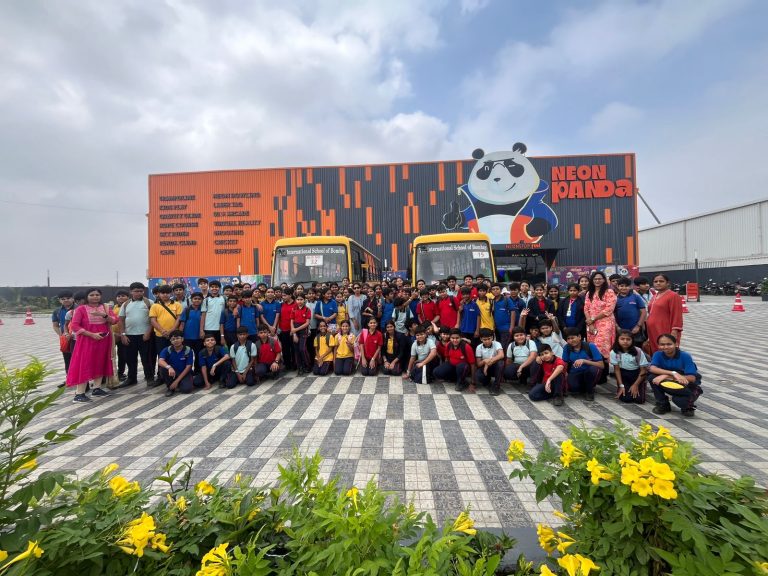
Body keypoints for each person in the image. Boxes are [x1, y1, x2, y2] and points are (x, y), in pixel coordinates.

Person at [66, 289, 118, 403]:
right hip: (86, 341)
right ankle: (79, 394)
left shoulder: (105, 308)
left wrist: (104, 315)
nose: (95, 297)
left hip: (103, 340)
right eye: (92, 295)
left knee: (100, 362)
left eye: (97, 295)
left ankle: (97, 389)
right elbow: (74, 326)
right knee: (84, 364)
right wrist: (91, 334)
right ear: (86, 296)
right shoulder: (81, 309)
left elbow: (115, 320)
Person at [648, 333, 702, 417]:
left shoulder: (685, 356)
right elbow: (652, 368)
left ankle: (688, 406)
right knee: (652, 377)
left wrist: (665, 375)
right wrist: (673, 373)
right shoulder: (658, 354)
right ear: (658, 345)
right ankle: (663, 404)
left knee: (679, 401)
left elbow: (691, 378)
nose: (665, 347)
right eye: (662, 344)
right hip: (673, 381)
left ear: (676, 344)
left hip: (686, 384)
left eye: (669, 344)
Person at [117, 282, 153, 387]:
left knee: (146, 358)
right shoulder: (125, 304)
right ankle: (132, 379)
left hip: (145, 335)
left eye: (141, 291)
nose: (138, 293)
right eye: (136, 291)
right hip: (129, 335)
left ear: (144, 291)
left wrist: (148, 332)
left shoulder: (149, 302)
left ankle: (149, 378)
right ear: (131, 292)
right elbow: (121, 320)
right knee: (130, 358)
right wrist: (123, 334)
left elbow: (153, 319)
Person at [583, 271, 617, 382]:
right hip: (591, 324)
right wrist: (590, 322)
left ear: (604, 280)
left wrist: (593, 319)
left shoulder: (609, 292)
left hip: (605, 322)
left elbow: (609, 309)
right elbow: (586, 308)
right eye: (595, 279)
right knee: (592, 347)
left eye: (600, 278)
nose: (597, 281)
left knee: (602, 347)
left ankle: (603, 375)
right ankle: (595, 375)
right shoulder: (589, 293)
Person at [645, 274, 684, 355]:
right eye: (655, 281)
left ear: (667, 283)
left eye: (661, 281)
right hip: (652, 330)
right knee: (656, 351)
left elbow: (677, 315)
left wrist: (674, 331)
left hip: (665, 329)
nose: (658, 283)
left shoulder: (673, 295)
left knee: (666, 350)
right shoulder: (655, 296)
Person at [562, 328, 604, 401]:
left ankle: (590, 391)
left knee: (591, 371)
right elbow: (565, 362)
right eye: (568, 339)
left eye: (572, 338)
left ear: (579, 337)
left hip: (589, 371)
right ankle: (585, 387)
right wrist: (564, 373)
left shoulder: (590, 346)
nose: (571, 340)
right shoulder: (567, 347)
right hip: (575, 372)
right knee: (573, 388)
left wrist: (584, 361)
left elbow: (601, 365)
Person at [610, 330, 649, 404]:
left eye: (628, 339)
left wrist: (636, 385)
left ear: (632, 340)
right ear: (617, 340)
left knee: (640, 400)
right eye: (622, 339)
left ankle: (641, 385)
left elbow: (643, 370)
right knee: (626, 399)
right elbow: (617, 370)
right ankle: (622, 388)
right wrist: (621, 385)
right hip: (623, 375)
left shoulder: (638, 351)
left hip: (637, 374)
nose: (625, 341)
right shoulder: (614, 352)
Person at [149, 285, 182, 362]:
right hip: (160, 335)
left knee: (174, 355)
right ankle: (162, 370)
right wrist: (162, 331)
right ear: (159, 294)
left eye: (167, 293)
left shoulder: (177, 304)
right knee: (162, 355)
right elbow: (153, 321)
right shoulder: (155, 306)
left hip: (174, 336)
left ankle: (174, 369)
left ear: (171, 293)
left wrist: (171, 331)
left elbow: (179, 319)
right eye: (163, 293)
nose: (165, 295)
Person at [158, 330, 196, 397]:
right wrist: (169, 367)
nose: (176, 340)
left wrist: (176, 381)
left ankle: (178, 383)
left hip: (184, 373)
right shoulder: (167, 349)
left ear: (182, 339)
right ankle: (170, 388)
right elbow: (160, 361)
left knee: (186, 389)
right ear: (170, 341)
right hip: (172, 372)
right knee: (163, 369)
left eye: (178, 338)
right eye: (173, 339)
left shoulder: (188, 350)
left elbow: (188, 367)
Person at [614, 277, 647, 345]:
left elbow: (643, 312)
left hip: (635, 329)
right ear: (618, 286)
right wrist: (617, 327)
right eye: (621, 286)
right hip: (621, 330)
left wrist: (638, 326)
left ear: (630, 286)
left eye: (626, 286)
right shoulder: (615, 299)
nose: (624, 288)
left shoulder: (636, 297)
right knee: (623, 348)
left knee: (637, 348)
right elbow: (612, 314)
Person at [52, 290, 75, 385]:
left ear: (73, 299)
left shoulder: (79, 308)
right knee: (67, 359)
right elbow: (55, 325)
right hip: (65, 339)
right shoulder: (57, 311)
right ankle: (69, 378)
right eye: (63, 299)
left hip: (77, 338)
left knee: (79, 358)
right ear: (59, 300)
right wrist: (62, 335)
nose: (66, 300)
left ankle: (82, 379)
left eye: (68, 298)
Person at [475, 328, 504, 395]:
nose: (487, 341)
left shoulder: (497, 343)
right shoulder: (479, 347)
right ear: (481, 339)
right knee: (479, 376)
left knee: (500, 363)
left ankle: (496, 385)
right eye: (485, 339)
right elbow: (478, 364)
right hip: (485, 369)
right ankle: (487, 381)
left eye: (489, 339)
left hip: (494, 367)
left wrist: (488, 363)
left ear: (492, 338)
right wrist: (485, 361)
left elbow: (501, 355)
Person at [179, 292, 204, 370]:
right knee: (186, 356)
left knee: (198, 355)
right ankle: (187, 371)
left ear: (202, 300)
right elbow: (182, 324)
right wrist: (180, 336)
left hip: (199, 338)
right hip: (187, 337)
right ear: (191, 300)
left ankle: (197, 371)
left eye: (199, 299)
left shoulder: (203, 311)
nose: (197, 300)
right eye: (195, 298)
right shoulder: (186, 310)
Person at [490, 283, 516, 352]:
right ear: (491, 291)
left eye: (497, 289)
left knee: (505, 347)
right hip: (496, 329)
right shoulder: (491, 301)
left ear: (501, 290)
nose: (495, 291)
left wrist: (511, 327)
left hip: (506, 328)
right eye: (493, 289)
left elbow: (513, 312)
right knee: (499, 347)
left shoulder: (506, 299)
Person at [291, 294, 312, 375]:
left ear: (304, 300)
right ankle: (300, 367)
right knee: (296, 350)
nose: (299, 301)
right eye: (298, 299)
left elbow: (307, 323)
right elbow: (291, 321)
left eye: (301, 299)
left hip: (303, 331)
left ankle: (307, 365)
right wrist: (294, 333)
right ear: (296, 300)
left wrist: (296, 329)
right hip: (295, 331)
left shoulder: (307, 310)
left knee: (302, 349)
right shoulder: (294, 309)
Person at [112, 290, 130, 381]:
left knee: (123, 355)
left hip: (124, 335)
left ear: (128, 297)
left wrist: (123, 334)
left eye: (123, 296)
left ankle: (120, 373)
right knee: (111, 356)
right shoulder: (114, 307)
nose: (120, 298)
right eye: (118, 296)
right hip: (114, 335)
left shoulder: (129, 306)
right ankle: (110, 374)